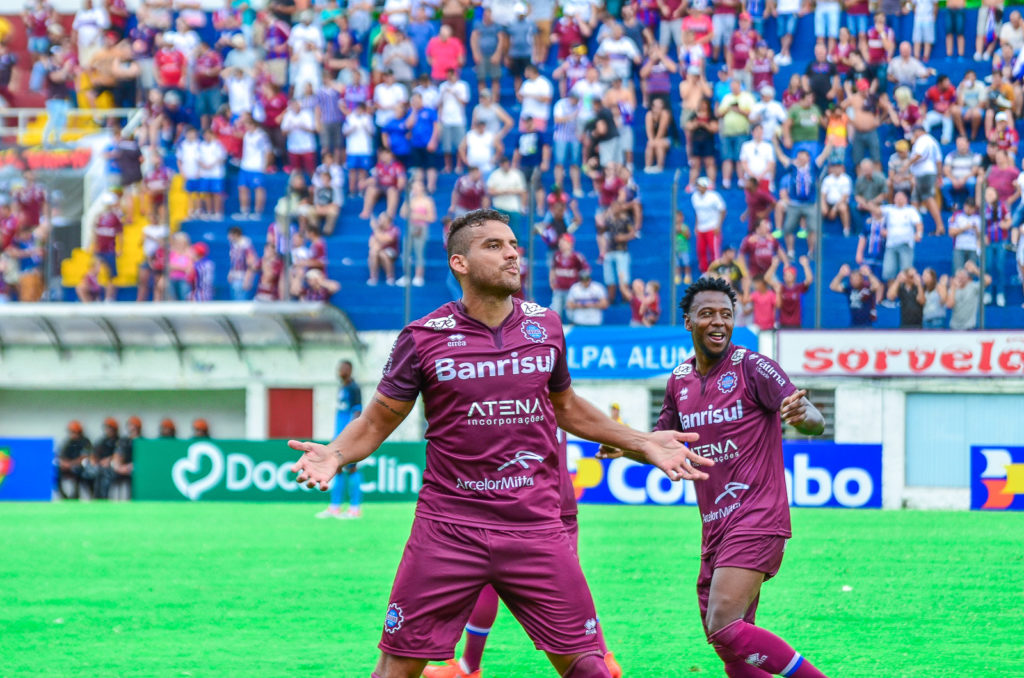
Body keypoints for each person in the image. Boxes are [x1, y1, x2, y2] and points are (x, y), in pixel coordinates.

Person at [288, 209, 711, 678]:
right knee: (396, 669)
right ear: (459, 263)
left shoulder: (546, 326)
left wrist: (642, 441)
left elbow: (566, 406)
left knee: (589, 666)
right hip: (448, 528)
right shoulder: (423, 338)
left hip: (535, 527)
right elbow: (376, 420)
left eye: (513, 244)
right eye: (494, 245)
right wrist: (335, 453)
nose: (511, 253)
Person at [601, 276, 828, 677]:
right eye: (707, 314)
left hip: (757, 516)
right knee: (730, 646)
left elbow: (812, 418)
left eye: (726, 314)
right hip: (714, 526)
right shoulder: (679, 381)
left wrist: (804, 415)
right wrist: (628, 448)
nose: (719, 322)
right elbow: (664, 444)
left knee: (723, 624)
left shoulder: (753, 367)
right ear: (688, 322)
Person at [317, 360, 364, 520]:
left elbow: (358, 412)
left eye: (344, 368)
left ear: (350, 370)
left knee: (351, 469)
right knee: (336, 468)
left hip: (347, 436)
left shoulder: (354, 388)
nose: (340, 371)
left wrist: (351, 434)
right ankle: (335, 507)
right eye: (339, 368)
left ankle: (355, 509)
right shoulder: (342, 388)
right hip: (337, 435)